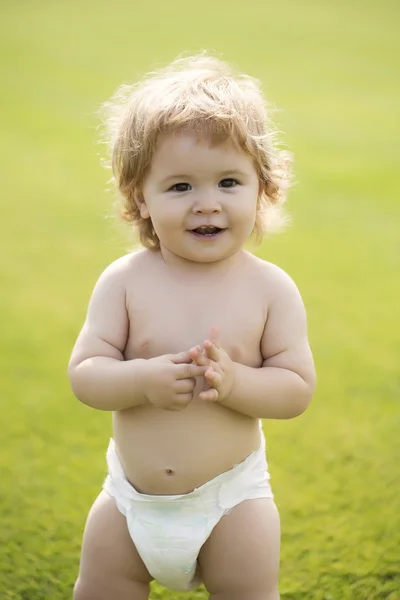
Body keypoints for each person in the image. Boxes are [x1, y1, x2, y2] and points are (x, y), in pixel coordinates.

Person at [68, 53, 316, 600]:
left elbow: (296, 389)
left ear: (263, 189)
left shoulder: (270, 289)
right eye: (180, 187)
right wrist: (141, 380)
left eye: (229, 182)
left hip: (231, 501)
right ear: (141, 199)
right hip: (130, 501)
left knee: (248, 591)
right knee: (100, 588)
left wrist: (236, 384)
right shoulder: (126, 281)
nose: (207, 205)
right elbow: (86, 373)